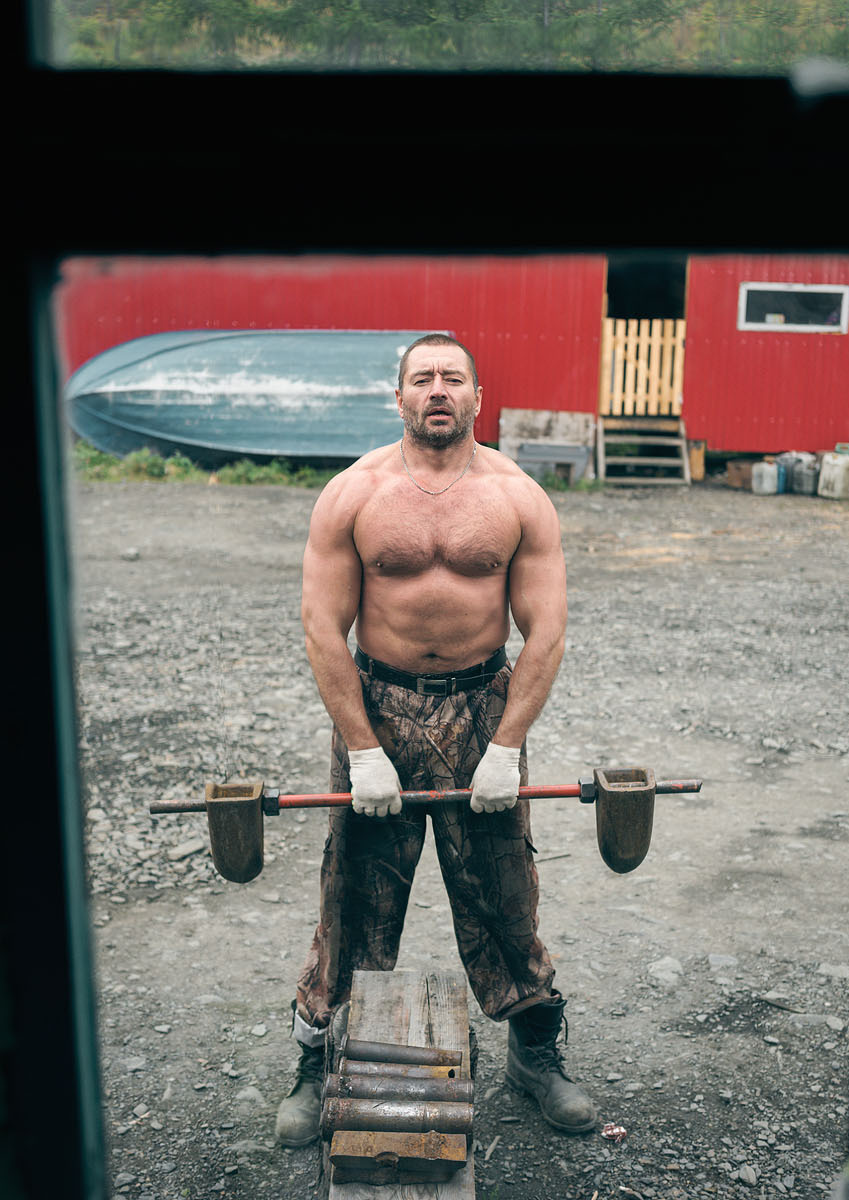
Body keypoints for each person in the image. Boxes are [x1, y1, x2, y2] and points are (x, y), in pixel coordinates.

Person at [274, 333, 598, 1147]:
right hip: (378, 705)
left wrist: (507, 745)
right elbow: (322, 627)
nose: (438, 390)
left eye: (453, 378)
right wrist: (361, 748)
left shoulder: (520, 497)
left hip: (481, 705)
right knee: (348, 890)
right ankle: (316, 1059)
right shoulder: (354, 492)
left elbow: (547, 629)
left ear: (478, 397)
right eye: (422, 379)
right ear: (399, 398)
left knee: (504, 891)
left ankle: (534, 1051)